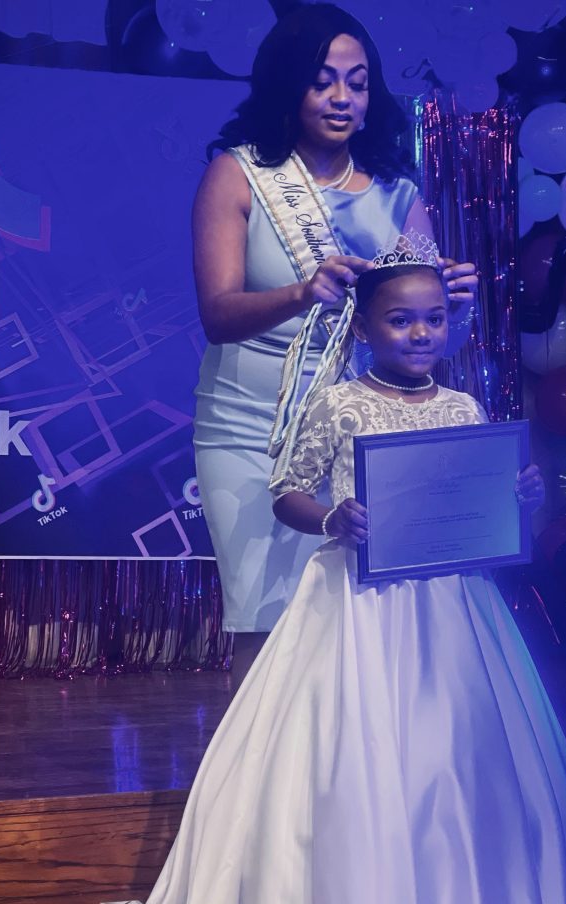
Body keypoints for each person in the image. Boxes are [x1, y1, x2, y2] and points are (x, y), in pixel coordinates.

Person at [119, 258, 566, 904]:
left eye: (432, 320)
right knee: (356, 760)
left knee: (455, 766)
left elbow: (483, 500)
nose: (420, 333)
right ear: (363, 329)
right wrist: (332, 518)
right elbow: (287, 489)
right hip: (357, 601)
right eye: (399, 320)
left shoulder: (462, 404)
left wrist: (520, 494)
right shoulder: (338, 403)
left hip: (452, 601)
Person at [192, 3, 477, 684]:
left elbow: (425, 333)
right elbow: (218, 314)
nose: (342, 98)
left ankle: (346, 779)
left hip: (358, 427)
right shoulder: (239, 175)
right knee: (261, 613)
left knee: (354, 615)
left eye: (357, 82)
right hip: (247, 426)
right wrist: (301, 291)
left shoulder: (397, 194)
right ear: (289, 83)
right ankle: (257, 790)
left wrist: (456, 306)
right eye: (323, 81)